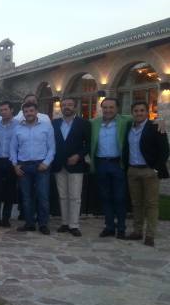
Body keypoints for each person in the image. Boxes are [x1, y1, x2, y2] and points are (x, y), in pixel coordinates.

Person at [123, 101, 169, 247]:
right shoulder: (129, 127)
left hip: (149, 171)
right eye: (136, 111)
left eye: (142, 110)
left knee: (151, 204)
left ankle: (150, 235)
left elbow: (165, 150)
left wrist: (156, 169)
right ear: (132, 113)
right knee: (136, 203)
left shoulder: (155, 127)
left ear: (147, 112)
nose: (139, 113)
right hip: (133, 170)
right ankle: (137, 231)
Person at [10, 102, 55, 234]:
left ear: (36, 112)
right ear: (23, 113)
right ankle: (29, 223)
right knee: (26, 197)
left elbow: (52, 148)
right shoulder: (18, 128)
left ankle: (43, 224)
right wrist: (15, 165)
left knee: (43, 196)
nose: (29, 113)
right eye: (26, 111)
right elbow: (13, 148)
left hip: (42, 165)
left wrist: (46, 163)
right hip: (23, 166)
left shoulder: (46, 127)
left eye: (31, 111)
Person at [90, 97, 132, 239]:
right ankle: (109, 226)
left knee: (119, 197)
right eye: (105, 107)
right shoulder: (94, 123)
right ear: (101, 109)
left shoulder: (125, 121)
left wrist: (160, 120)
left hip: (117, 164)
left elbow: (142, 119)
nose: (108, 110)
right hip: (101, 164)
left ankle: (121, 228)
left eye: (111, 107)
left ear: (117, 109)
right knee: (105, 197)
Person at [51, 97, 91, 236]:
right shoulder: (54, 123)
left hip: (76, 165)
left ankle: (74, 225)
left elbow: (89, 144)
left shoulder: (84, 123)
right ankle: (64, 222)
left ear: (75, 107)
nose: (66, 107)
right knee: (62, 196)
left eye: (70, 105)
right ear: (61, 107)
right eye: (64, 105)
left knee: (75, 196)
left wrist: (78, 156)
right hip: (59, 164)